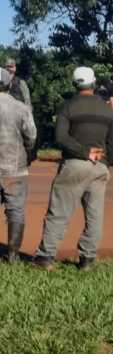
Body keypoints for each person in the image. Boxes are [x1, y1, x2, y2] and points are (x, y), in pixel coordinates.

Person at [34, 67, 113, 271]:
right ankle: (87, 259)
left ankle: (45, 258)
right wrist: (104, 160)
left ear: (75, 84)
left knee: (59, 213)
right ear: (93, 83)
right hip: (99, 167)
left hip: (73, 165)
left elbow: (61, 137)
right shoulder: (107, 109)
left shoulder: (68, 106)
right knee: (95, 215)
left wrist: (83, 152)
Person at [0, 68, 37, 264]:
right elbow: (31, 136)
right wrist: (28, 155)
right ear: (10, 85)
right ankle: (13, 256)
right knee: (15, 211)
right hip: (15, 167)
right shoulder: (22, 108)